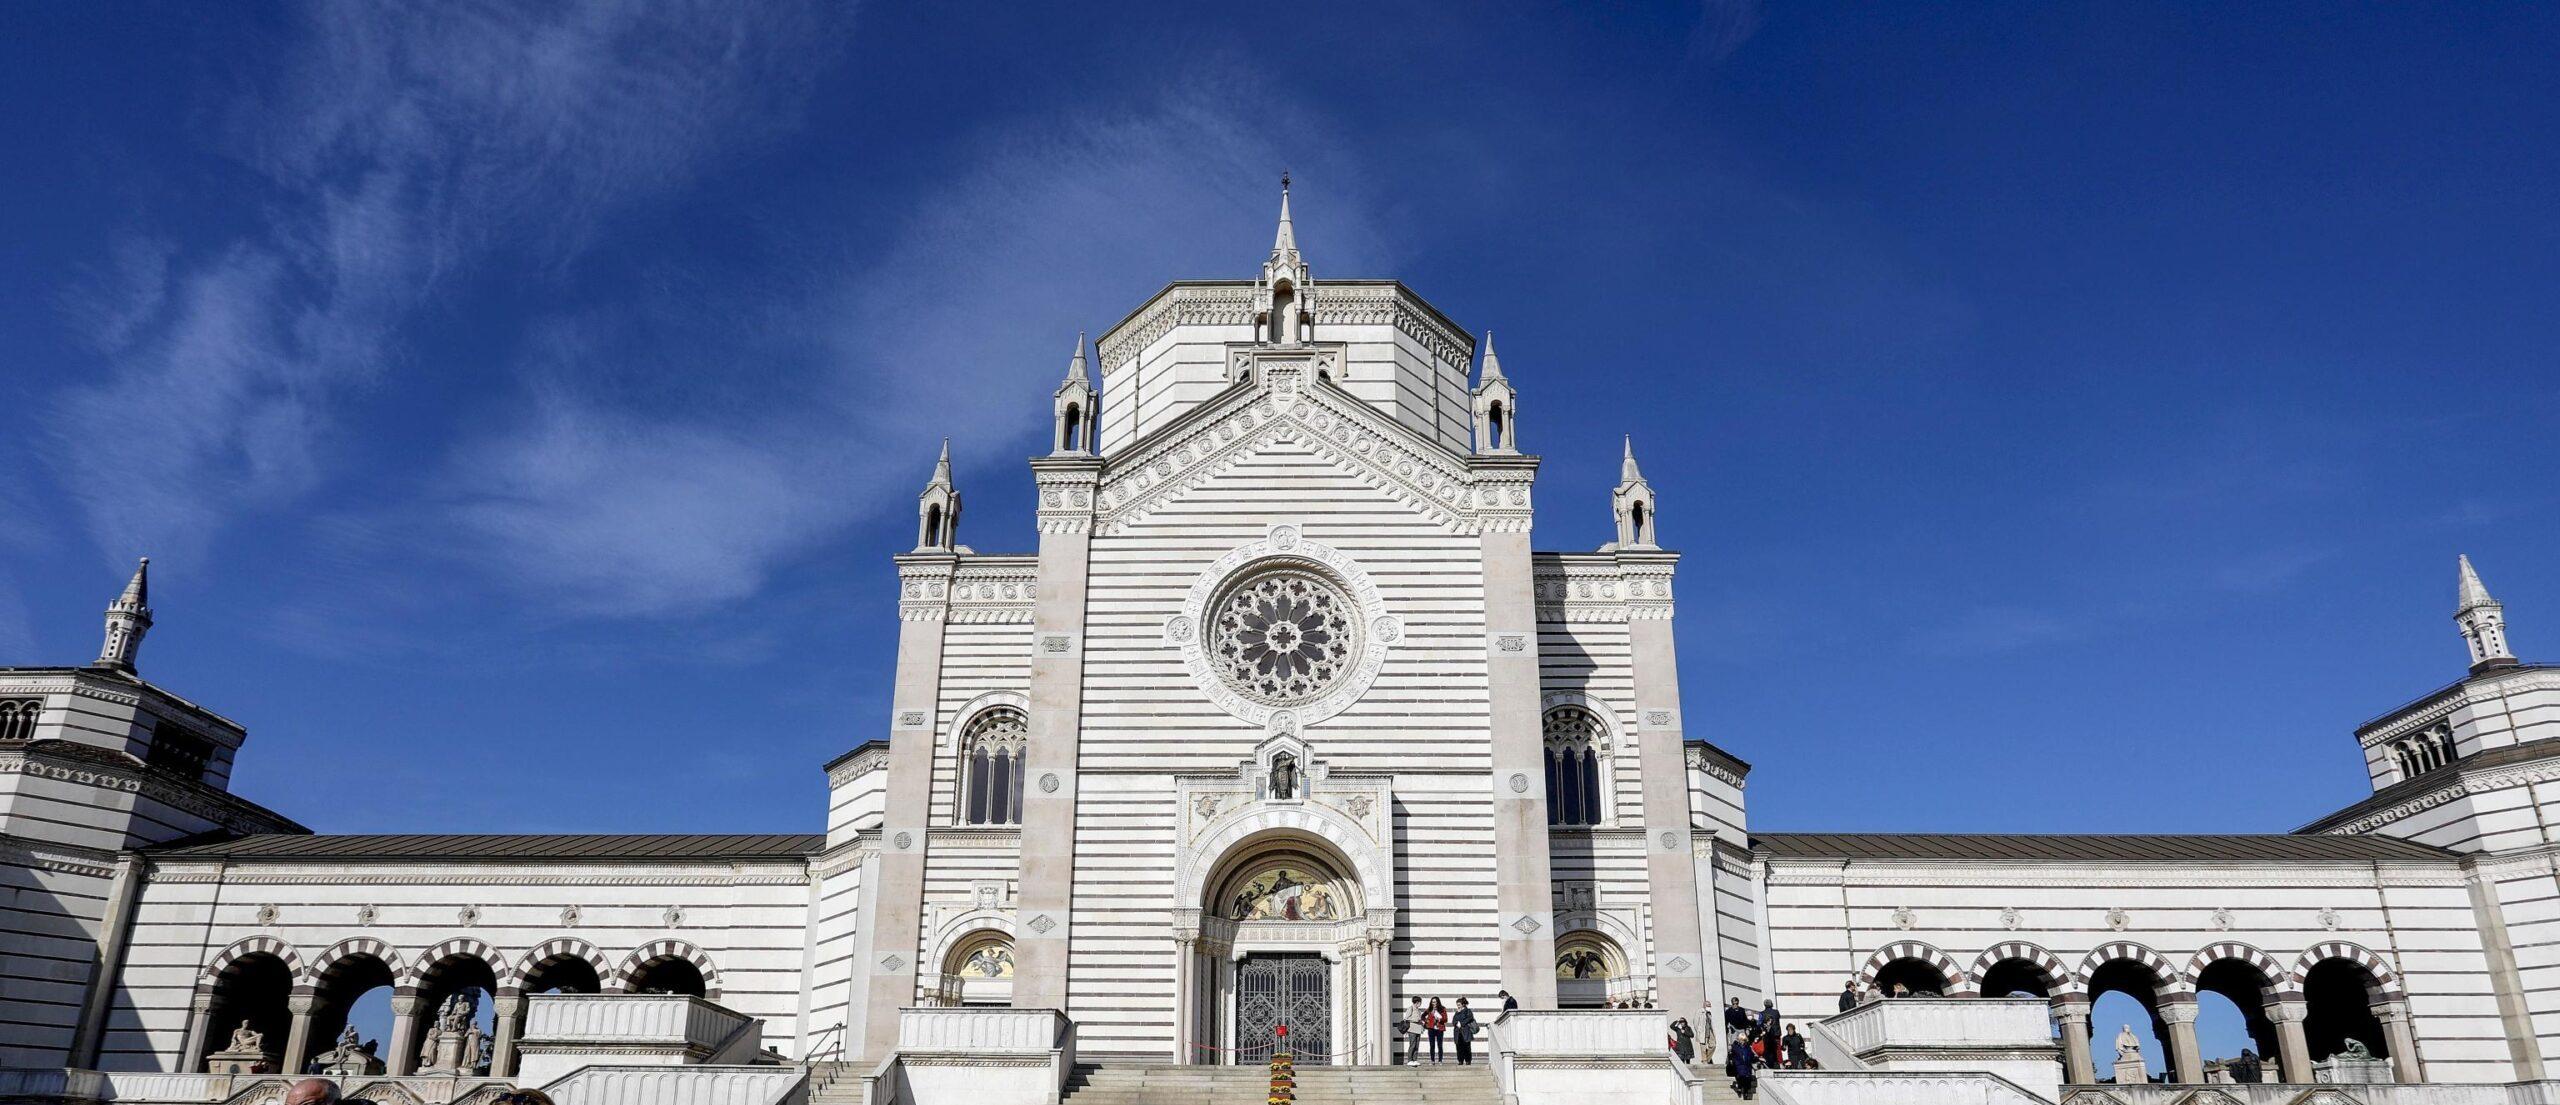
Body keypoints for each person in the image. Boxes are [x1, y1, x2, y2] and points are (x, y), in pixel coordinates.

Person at [1729, 1035, 1761, 1100]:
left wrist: (1757, 1059)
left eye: (1743, 1040)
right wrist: (1733, 1061)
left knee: (1747, 1079)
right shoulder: (1735, 1047)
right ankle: (1740, 1088)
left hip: (1747, 1065)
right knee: (1741, 1077)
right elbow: (1732, 1055)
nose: (1742, 1041)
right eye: (1741, 1040)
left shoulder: (1748, 1047)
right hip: (1739, 1065)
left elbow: (1751, 1056)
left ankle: (1744, 1092)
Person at [1423, 998, 1449, 1064]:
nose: (1434, 1004)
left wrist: (1440, 1019)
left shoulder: (1442, 1009)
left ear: (1438, 1002)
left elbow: (1446, 1019)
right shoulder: (1429, 1009)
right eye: (1432, 1002)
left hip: (1439, 1029)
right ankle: (1432, 1060)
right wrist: (1427, 1021)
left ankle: (1440, 1060)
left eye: (1435, 1002)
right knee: (1432, 1045)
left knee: (1440, 1045)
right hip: (1431, 1029)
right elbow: (1422, 1016)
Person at [1452, 998, 1477, 1065]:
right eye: (1457, 1005)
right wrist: (1456, 1023)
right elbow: (1453, 1021)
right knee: (1459, 1047)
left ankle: (1468, 1060)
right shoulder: (1457, 1012)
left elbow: (1470, 1018)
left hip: (1466, 1032)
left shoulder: (1468, 1011)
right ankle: (1460, 1060)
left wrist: (1461, 1023)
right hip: (1458, 1032)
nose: (1458, 1006)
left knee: (1466, 1047)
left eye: (1459, 1005)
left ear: (1463, 1004)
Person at [1399, 997, 1420, 1065]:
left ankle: (1415, 1059)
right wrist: (1415, 1020)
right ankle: (1409, 1060)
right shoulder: (1410, 1008)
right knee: (1412, 1045)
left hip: (1418, 1029)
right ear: (1417, 1002)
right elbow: (1406, 1018)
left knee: (1417, 1045)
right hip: (1412, 1029)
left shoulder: (1418, 1010)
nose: (1420, 1004)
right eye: (1420, 1002)